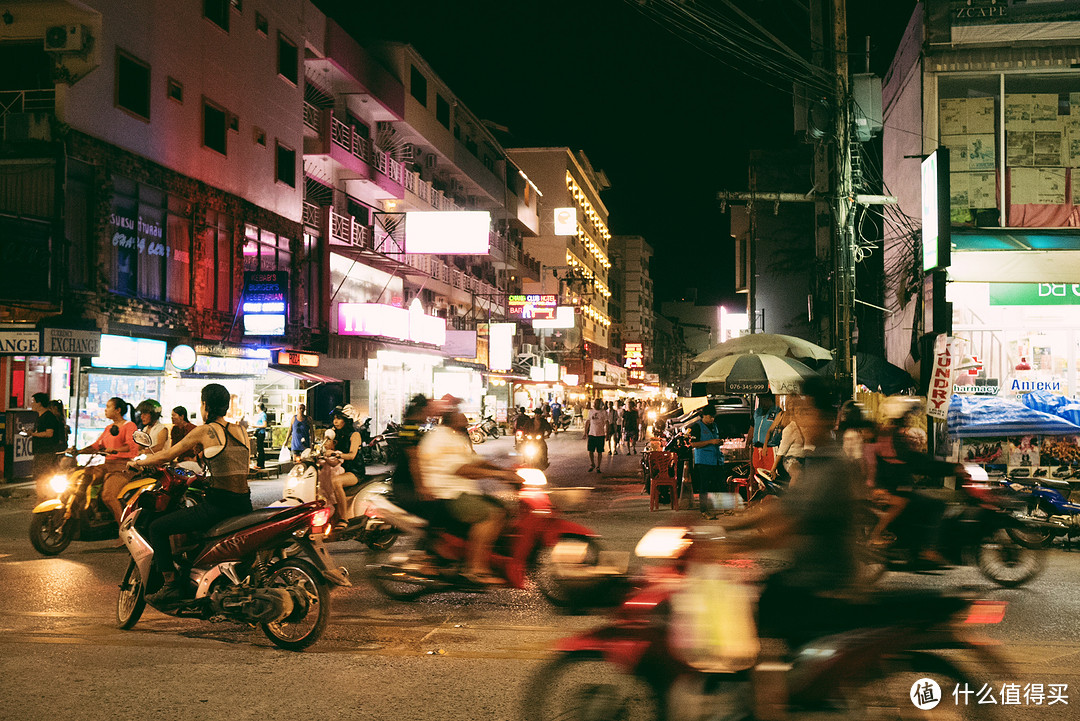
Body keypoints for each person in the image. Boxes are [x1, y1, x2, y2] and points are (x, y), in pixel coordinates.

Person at [723, 377, 866, 647]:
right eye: (799, 412)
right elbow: (782, 508)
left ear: (827, 418)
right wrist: (724, 528)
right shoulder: (817, 460)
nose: (801, 420)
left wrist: (731, 545)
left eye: (807, 411)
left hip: (823, 580)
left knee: (762, 620)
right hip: (806, 573)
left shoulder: (833, 468)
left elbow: (788, 526)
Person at [129, 383, 252, 606]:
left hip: (219, 506)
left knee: (157, 528)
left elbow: (167, 455)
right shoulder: (241, 431)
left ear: (206, 405)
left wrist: (138, 462)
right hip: (244, 504)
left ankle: (171, 585)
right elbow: (238, 466)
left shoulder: (206, 431)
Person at [419, 410, 520, 585]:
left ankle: (491, 558)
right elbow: (462, 469)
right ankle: (475, 568)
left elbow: (475, 460)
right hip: (449, 494)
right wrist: (497, 475)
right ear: (452, 418)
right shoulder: (440, 439)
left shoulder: (456, 437)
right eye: (459, 412)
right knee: (491, 515)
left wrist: (504, 471)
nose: (465, 417)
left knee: (507, 510)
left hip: (463, 491)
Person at [865, 397, 953, 565]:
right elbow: (917, 462)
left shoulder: (890, 434)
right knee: (937, 506)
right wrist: (951, 469)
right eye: (906, 416)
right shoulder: (893, 437)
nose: (909, 419)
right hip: (893, 491)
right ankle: (928, 549)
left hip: (894, 488)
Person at [71, 397, 137, 523]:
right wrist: (78, 451)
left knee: (108, 496)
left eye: (108, 407)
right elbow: (97, 446)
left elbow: (131, 446)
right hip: (107, 465)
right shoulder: (109, 428)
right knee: (79, 479)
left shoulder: (129, 426)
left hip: (123, 467)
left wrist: (115, 449)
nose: (105, 410)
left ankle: (123, 530)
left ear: (117, 410)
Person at [320, 408, 366, 529]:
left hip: (354, 471)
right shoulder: (338, 434)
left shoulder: (355, 435)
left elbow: (351, 455)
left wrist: (336, 454)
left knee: (336, 481)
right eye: (334, 418)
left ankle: (344, 518)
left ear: (347, 420)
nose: (335, 421)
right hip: (341, 468)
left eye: (339, 418)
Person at [689, 405, 728, 515]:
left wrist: (719, 441)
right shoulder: (697, 427)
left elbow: (716, 439)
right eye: (710, 417)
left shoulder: (714, 426)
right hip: (703, 461)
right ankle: (704, 510)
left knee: (721, 484)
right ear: (704, 416)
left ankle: (726, 508)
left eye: (713, 417)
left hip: (716, 460)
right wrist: (711, 442)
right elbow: (694, 444)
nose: (712, 419)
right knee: (704, 486)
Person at [30, 393, 65, 498]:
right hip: (40, 451)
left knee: (43, 477)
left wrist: (33, 434)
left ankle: (43, 500)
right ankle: (43, 499)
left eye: (33, 401)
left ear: (39, 403)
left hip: (46, 452)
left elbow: (49, 433)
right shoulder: (40, 417)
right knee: (40, 477)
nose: (31, 404)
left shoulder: (48, 417)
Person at [770, 403, 811, 486]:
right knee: (797, 474)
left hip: (807, 458)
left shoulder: (809, 427)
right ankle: (792, 496)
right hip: (792, 459)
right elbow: (781, 450)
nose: (801, 414)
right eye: (798, 412)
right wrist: (773, 469)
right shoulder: (790, 429)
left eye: (803, 412)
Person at [749, 393, 781, 473]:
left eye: (764, 399)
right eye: (760, 400)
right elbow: (752, 427)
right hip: (757, 448)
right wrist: (748, 443)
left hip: (770, 448)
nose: (762, 402)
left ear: (770, 399)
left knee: (770, 473)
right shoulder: (757, 412)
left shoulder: (777, 411)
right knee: (757, 473)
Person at [585, 399, 609, 473]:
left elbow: (607, 422)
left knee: (599, 451)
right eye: (595, 403)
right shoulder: (591, 412)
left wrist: (607, 433)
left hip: (600, 434)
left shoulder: (603, 412)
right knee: (590, 450)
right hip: (592, 434)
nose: (596, 405)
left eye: (597, 403)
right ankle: (592, 464)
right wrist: (585, 432)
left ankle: (598, 466)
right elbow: (588, 421)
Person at [251, 402, 268, 469]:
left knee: (260, 449)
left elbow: (264, 425)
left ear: (259, 407)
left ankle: (261, 464)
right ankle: (259, 463)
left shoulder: (263, 415)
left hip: (261, 433)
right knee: (259, 449)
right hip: (258, 433)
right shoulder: (259, 415)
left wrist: (255, 426)